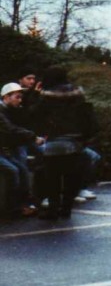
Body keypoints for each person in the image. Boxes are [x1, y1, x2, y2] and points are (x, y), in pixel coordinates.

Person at [29, 66, 97, 220]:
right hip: (75, 141)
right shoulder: (78, 93)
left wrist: (35, 94)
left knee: (52, 178)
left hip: (55, 140)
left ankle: (53, 210)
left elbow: (33, 113)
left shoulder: (47, 96)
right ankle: (66, 208)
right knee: (71, 177)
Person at [0, 83, 44, 218]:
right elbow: (9, 129)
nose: (20, 100)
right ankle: (11, 208)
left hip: (6, 147)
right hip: (6, 147)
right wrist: (32, 136)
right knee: (13, 170)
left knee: (21, 169)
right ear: (6, 97)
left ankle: (22, 204)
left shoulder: (13, 109)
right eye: (17, 97)